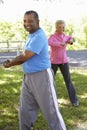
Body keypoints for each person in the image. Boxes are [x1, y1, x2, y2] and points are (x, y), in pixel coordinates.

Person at [3, 11, 66, 130]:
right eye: (25, 21)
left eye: (30, 21)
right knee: (25, 112)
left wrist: (10, 63)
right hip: (28, 77)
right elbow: (24, 55)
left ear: (38, 22)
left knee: (51, 113)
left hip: (42, 77)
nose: (27, 24)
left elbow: (25, 56)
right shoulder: (31, 35)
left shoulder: (39, 36)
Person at [48, 20, 79, 107]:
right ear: (56, 28)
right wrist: (59, 44)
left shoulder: (65, 36)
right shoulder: (53, 36)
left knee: (68, 80)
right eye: (59, 27)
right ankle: (51, 101)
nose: (61, 29)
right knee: (51, 81)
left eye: (63, 27)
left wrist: (71, 40)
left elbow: (71, 38)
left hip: (64, 62)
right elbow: (49, 42)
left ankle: (74, 100)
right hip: (53, 62)